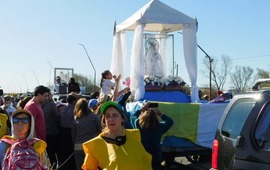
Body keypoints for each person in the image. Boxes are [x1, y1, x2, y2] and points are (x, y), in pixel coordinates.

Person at [82, 101, 152, 170]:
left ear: (122, 118)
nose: (111, 119)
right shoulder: (95, 145)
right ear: (104, 120)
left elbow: (144, 162)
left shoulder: (133, 136)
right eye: (107, 116)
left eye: (115, 115)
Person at [130, 103, 174, 170]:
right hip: (156, 158)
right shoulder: (159, 127)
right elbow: (170, 121)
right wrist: (160, 114)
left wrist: (142, 110)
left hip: (143, 157)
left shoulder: (138, 125)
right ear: (155, 118)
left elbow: (132, 116)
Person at [72, 98, 102, 170]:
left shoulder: (76, 119)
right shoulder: (95, 117)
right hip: (92, 145)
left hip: (78, 146)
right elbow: (101, 130)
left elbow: (73, 134)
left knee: (80, 167)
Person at [58, 92, 81, 170]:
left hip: (62, 133)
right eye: (77, 99)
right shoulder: (73, 111)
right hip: (69, 134)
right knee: (70, 155)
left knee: (64, 154)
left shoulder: (64, 108)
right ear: (74, 101)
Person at [42, 92, 60, 167]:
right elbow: (56, 117)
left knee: (48, 152)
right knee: (54, 153)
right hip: (52, 132)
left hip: (45, 132)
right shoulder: (51, 105)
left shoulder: (41, 105)